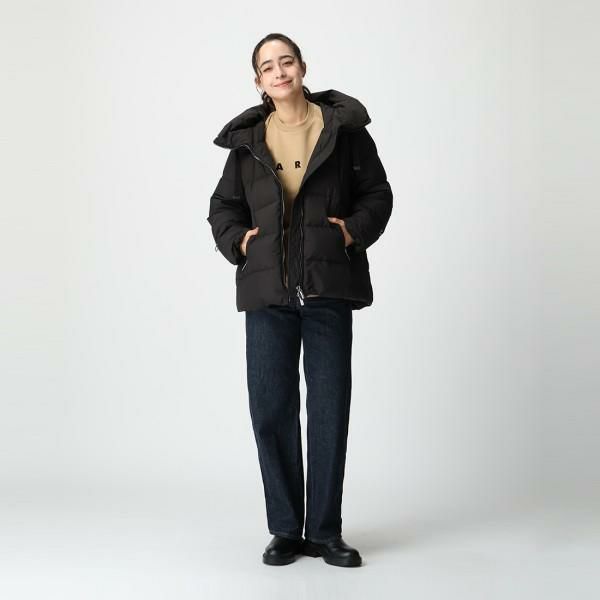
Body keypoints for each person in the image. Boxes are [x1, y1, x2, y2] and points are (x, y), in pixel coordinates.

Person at [207, 33, 393, 567]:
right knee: (271, 409)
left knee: (329, 409)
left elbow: (377, 193)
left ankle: (326, 532)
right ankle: (286, 529)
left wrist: (351, 232)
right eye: (268, 66)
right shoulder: (249, 142)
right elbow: (222, 206)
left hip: (327, 288)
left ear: (302, 67)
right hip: (268, 292)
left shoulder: (342, 130)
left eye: (286, 61)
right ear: (259, 81)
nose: (279, 72)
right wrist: (240, 242)